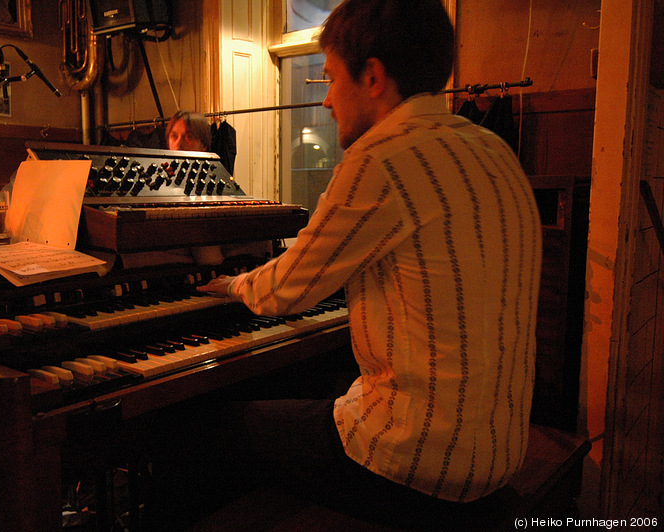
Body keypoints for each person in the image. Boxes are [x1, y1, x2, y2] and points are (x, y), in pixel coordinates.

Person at [153, 0, 542, 528]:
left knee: (204, 430)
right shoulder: (494, 151)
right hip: (496, 448)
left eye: (332, 79)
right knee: (315, 383)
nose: (329, 100)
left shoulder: (380, 159)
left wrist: (231, 284)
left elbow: (284, 291)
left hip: (422, 462)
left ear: (374, 76)